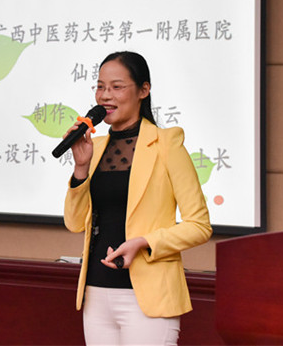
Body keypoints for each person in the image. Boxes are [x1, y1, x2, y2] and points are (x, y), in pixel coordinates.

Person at [64, 51, 212, 346]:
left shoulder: (166, 144)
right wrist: (81, 168)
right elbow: (74, 222)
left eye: (117, 87)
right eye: (100, 86)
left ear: (144, 90)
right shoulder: (95, 147)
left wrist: (144, 242)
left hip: (147, 297)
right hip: (96, 292)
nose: (106, 95)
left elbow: (200, 226)